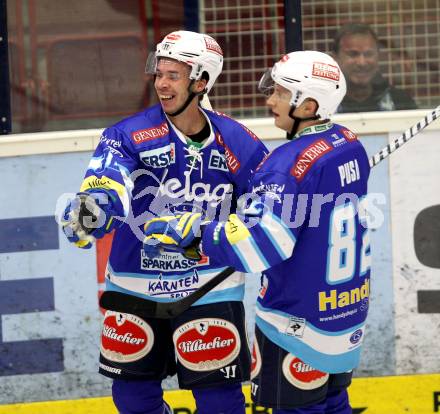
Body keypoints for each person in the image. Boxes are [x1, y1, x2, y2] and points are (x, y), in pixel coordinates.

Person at [143, 51, 372, 413]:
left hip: (297, 322)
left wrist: (198, 233)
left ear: (309, 104)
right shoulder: (348, 143)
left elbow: (259, 244)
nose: (270, 100)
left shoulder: (285, 165)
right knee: (333, 403)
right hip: (345, 312)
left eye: (280, 93)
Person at [59, 30, 268, 414]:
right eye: (159, 73)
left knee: (220, 403)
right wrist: (92, 210)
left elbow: (264, 214)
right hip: (134, 284)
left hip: (209, 287)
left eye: (173, 74)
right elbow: (106, 183)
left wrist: (218, 234)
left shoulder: (239, 142)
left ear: (201, 81)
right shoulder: (128, 135)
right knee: (133, 401)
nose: (161, 83)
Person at [332, 22, 417, 112]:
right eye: (353, 54)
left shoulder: (400, 102)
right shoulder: (321, 104)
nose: (362, 62)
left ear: (378, 56)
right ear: (335, 59)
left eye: (369, 54)